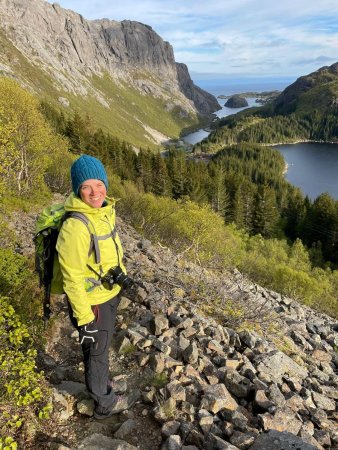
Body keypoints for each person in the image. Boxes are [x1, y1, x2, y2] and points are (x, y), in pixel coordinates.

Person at [56, 154, 137, 419]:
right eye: (86, 187)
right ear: (77, 190)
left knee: (101, 348)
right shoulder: (76, 227)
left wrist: (120, 278)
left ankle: (103, 385)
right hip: (92, 304)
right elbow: (72, 279)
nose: (95, 192)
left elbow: (111, 253)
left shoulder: (103, 211)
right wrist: (85, 318)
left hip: (108, 294)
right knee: (96, 352)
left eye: (99, 184)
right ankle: (104, 404)